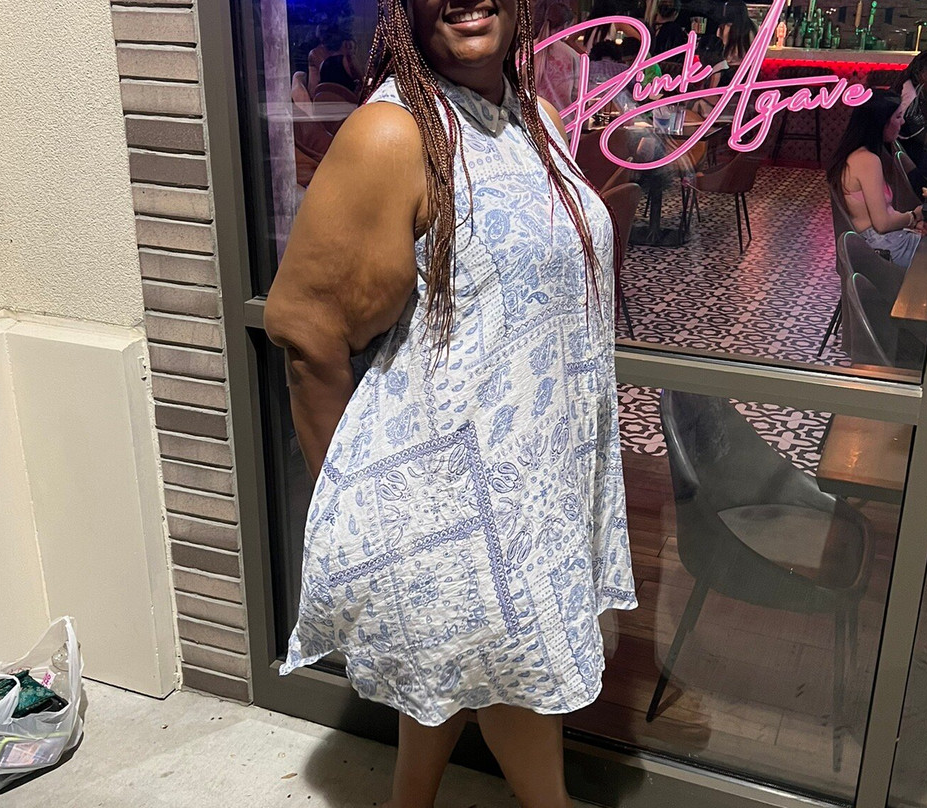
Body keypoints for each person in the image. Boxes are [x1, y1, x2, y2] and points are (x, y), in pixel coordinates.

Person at [264, 0, 638, 803]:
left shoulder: (534, 117)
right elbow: (306, 330)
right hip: (458, 494)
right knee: (516, 678)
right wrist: (362, 507)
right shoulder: (393, 135)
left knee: (450, 672)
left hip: (536, 482)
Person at [827, 92, 924, 268]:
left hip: (880, 241)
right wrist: (914, 216)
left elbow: (885, 216)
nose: (902, 122)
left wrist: (913, 222)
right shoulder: (868, 161)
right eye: (898, 117)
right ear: (880, 123)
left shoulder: (858, 156)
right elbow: (882, 224)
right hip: (883, 247)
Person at [892, 50, 927, 192]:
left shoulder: (920, 87)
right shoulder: (909, 92)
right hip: (906, 149)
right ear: (923, 73)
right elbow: (906, 126)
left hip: (914, 146)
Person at [715, 0, 755, 86]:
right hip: (746, 70)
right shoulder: (751, 27)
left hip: (726, 70)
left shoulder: (722, 28)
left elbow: (719, 48)